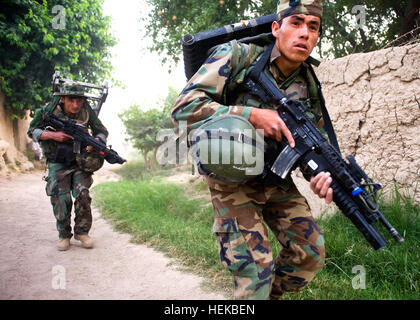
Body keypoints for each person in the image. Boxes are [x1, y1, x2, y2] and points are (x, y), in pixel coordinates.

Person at [171, 0, 334, 299]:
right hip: (231, 180)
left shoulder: (308, 83)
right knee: (255, 271)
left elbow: (316, 145)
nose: (304, 34)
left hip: (274, 177)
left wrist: (322, 174)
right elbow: (183, 107)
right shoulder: (236, 56)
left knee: (310, 253)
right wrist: (251, 116)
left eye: (313, 27)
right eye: (295, 23)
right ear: (276, 28)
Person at [28, 83, 109, 251]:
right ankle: (64, 235)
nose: (76, 105)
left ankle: (82, 232)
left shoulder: (86, 111)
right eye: (71, 100)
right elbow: (32, 130)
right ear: (62, 98)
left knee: (83, 194)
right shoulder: (48, 110)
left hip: (80, 160)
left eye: (79, 100)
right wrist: (53, 135)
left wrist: (97, 142)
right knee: (61, 197)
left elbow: (101, 130)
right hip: (58, 160)